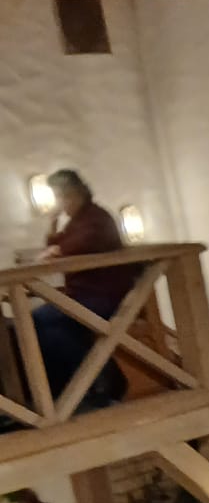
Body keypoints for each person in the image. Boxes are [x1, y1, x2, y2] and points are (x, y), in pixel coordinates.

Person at [32, 169, 134, 407]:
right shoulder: (78, 221)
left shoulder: (96, 218)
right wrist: (53, 226)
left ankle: (92, 384)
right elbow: (58, 245)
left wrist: (57, 250)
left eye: (62, 197)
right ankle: (84, 387)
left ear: (75, 194)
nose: (61, 204)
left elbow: (78, 245)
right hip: (82, 294)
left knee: (42, 320)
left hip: (103, 295)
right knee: (48, 326)